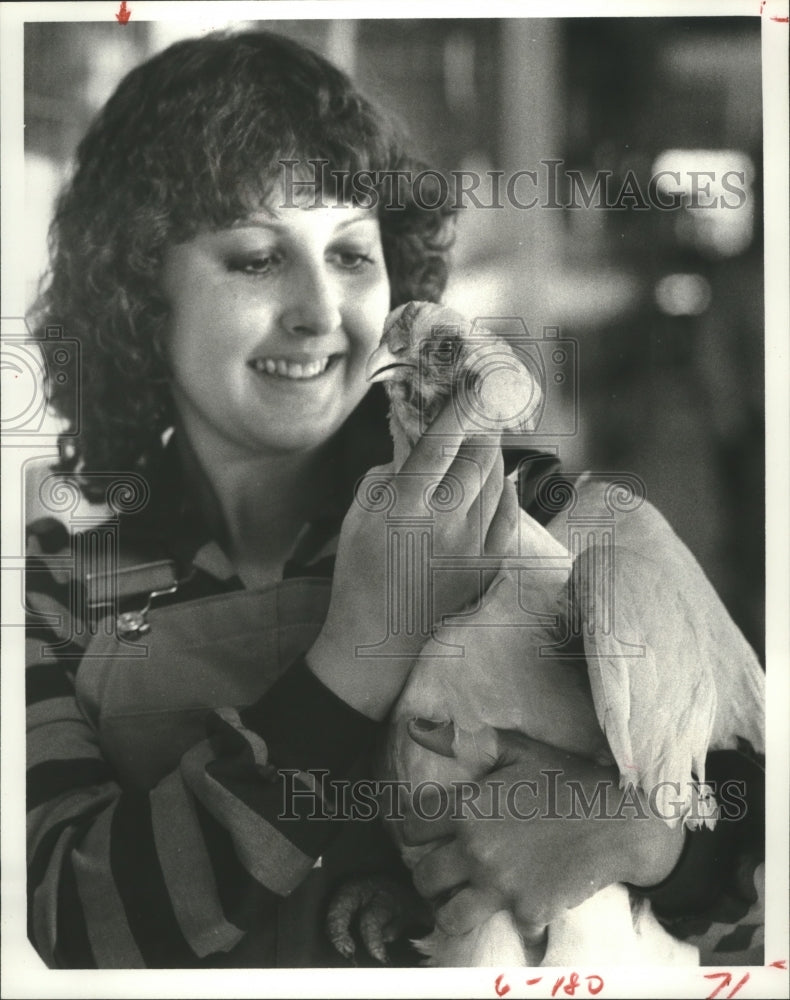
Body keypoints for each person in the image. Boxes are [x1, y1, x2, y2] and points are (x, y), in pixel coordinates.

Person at [25, 28, 764, 970]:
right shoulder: (54, 593)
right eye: (255, 258)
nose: (320, 312)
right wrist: (356, 656)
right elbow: (67, 922)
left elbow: (766, 882)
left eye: (351, 255)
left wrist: (644, 839)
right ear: (140, 295)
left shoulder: (547, 516)